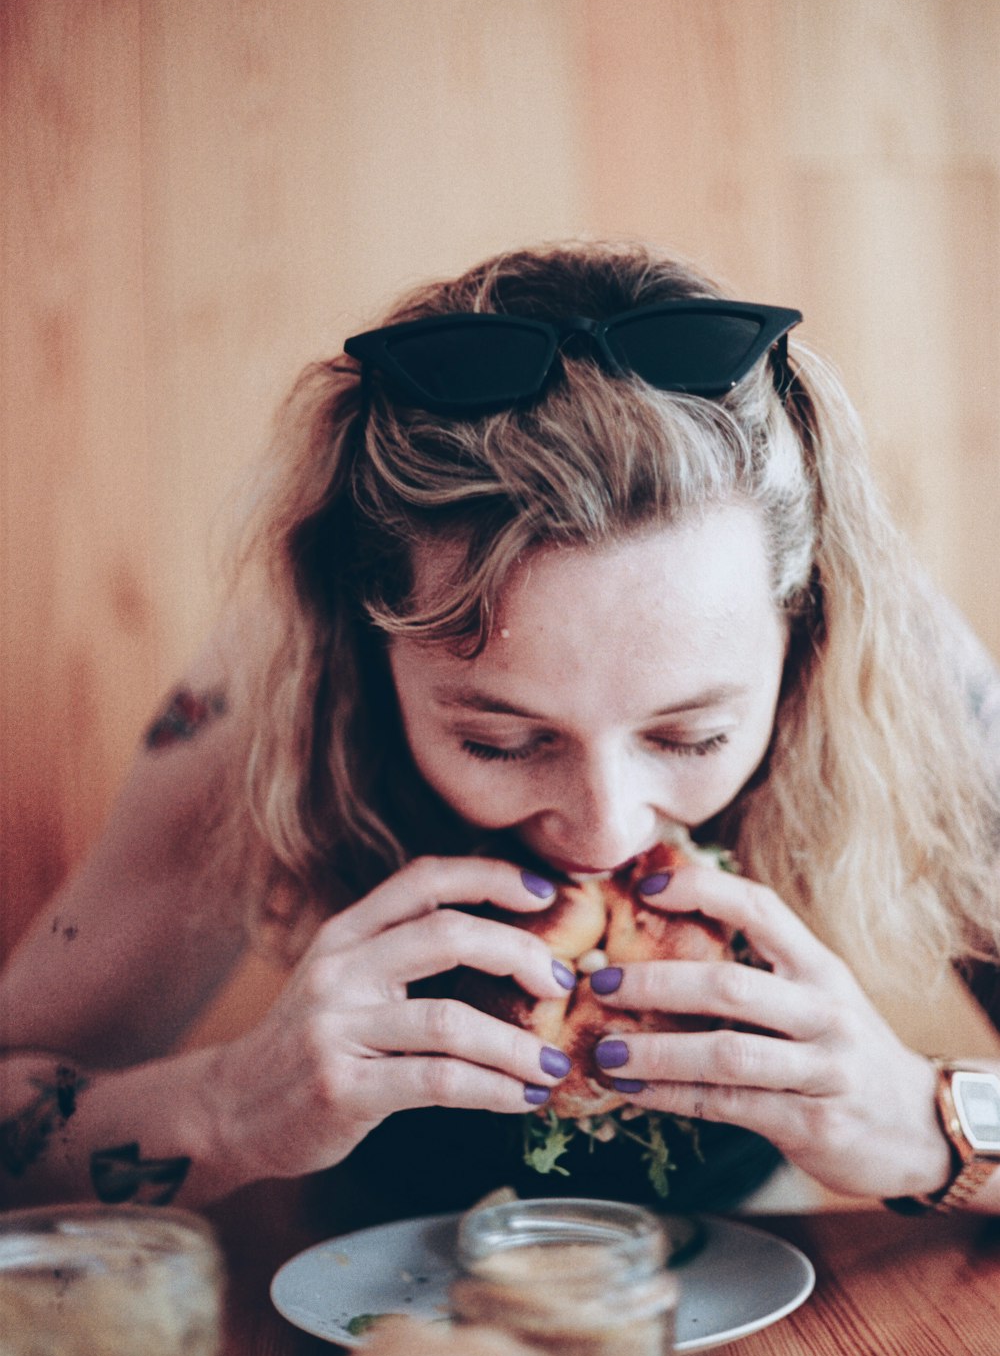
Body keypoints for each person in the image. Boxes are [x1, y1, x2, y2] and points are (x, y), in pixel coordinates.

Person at [2, 239, 1000, 1222]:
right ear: (367, 650)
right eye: (501, 741)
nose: (607, 829)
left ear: (802, 636)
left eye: (691, 736)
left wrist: (925, 1124)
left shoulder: (889, 665)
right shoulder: (280, 687)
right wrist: (224, 1110)